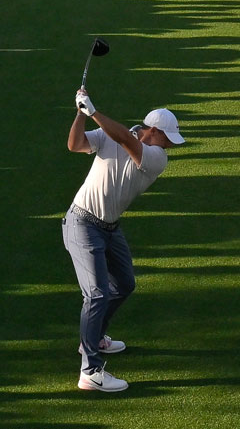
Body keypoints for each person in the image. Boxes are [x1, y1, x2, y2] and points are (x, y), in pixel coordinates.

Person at [61, 93, 181, 394]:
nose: (169, 145)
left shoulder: (156, 158)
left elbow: (128, 142)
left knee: (124, 284)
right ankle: (90, 370)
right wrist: (80, 113)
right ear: (153, 131)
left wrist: (95, 112)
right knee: (98, 294)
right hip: (82, 223)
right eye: (167, 138)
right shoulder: (110, 135)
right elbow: (74, 145)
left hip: (109, 228)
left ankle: (94, 336)